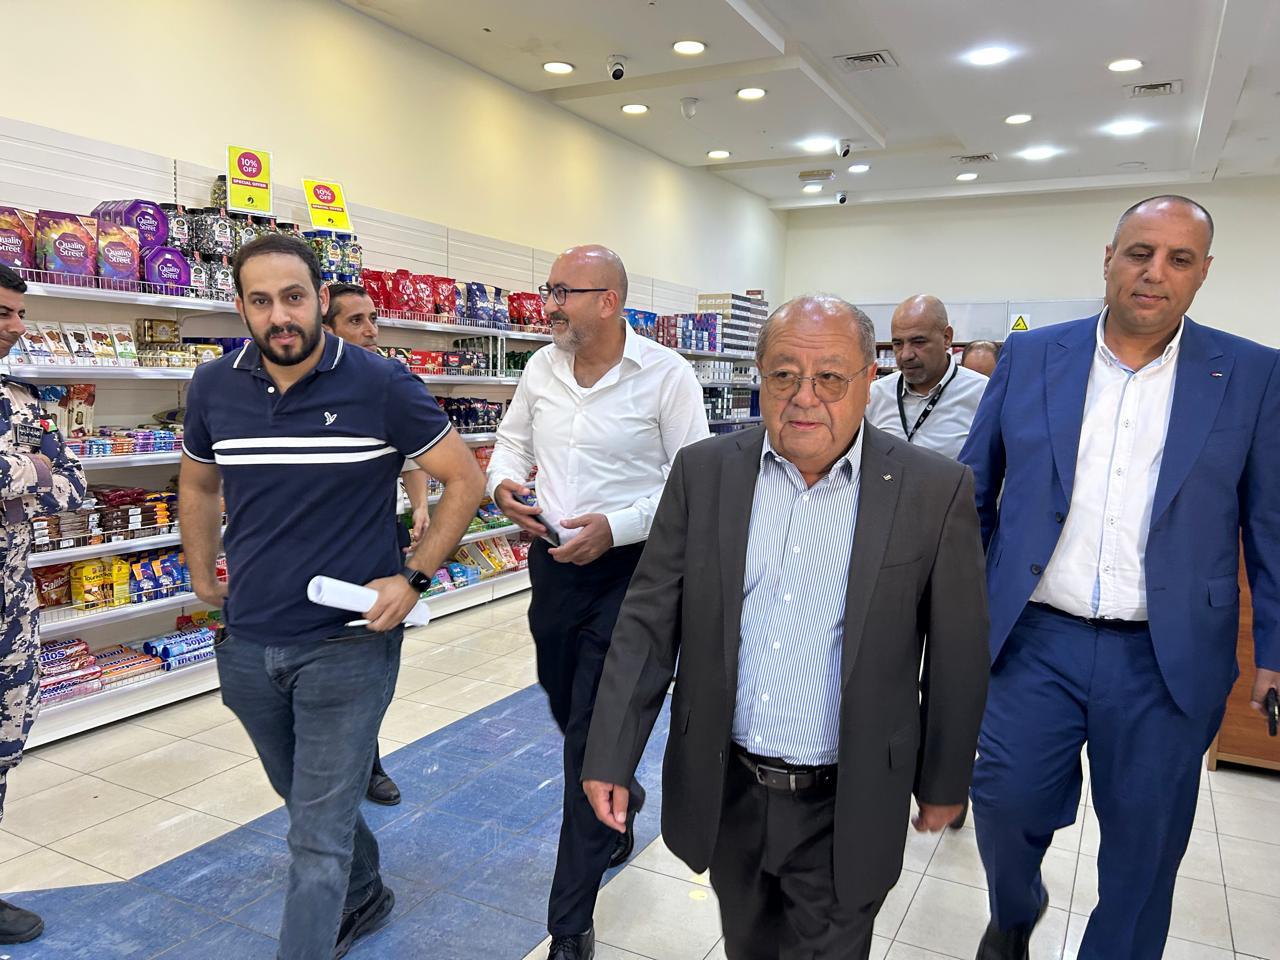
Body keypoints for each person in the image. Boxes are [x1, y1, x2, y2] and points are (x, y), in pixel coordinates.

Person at [583, 295, 991, 960]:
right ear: (761, 377)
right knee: (748, 945)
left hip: (849, 798)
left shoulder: (932, 490)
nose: (804, 397)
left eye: (830, 377)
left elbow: (957, 652)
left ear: (868, 380)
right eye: (784, 375)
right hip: (729, 789)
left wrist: (945, 779)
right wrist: (611, 753)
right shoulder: (704, 473)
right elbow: (648, 624)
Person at [959, 195, 1280, 960]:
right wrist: (961, 612)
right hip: (1034, 640)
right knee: (1003, 805)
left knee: (1145, 851)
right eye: (1139, 252)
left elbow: (1270, 523)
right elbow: (973, 492)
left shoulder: (1251, 373)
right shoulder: (1032, 357)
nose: (1154, 272)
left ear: (1203, 273)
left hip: (1166, 657)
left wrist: (1273, 650)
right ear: (1109, 259)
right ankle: (1014, 913)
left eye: (1178, 259)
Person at [179, 234, 486, 960]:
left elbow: (465, 478)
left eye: (293, 297)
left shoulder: (380, 383)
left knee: (314, 837)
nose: (279, 316)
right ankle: (366, 889)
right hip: (249, 642)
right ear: (240, 307)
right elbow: (198, 481)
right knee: (305, 797)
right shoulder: (213, 385)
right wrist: (200, 571)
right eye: (261, 301)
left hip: (348, 643)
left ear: (320, 298)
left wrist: (414, 577)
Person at [486, 244, 709, 960]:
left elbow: (694, 480)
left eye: (564, 292)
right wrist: (502, 486)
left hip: (633, 577)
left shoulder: (667, 376)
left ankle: (570, 921)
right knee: (565, 704)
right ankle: (623, 795)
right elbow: (510, 443)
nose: (548, 304)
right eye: (549, 289)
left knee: (589, 739)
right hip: (553, 568)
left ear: (609, 302)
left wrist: (619, 526)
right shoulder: (540, 368)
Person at [0, 264, 88, 945]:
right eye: (3, 312)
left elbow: (75, 486)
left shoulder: (23, 402)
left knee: (3, 749)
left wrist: (25, 476)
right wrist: (31, 470)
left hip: (11, 614)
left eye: (18, 313)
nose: (16, 326)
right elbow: (44, 475)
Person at [322, 281, 434, 806]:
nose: (371, 331)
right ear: (326, 329)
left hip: (375, 539)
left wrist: (421, 506)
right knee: (321, 661)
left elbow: (415, 453)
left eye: (373, 319)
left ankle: (367, 762)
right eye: (356, 321)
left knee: (375, 653)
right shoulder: (305, 387)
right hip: (316, 548)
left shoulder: (389, 382)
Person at [866, 295, 989, 459]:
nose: (906, 355)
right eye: (898, 344)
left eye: (918, 342)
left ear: (947, 338)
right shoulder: (874, 395)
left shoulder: (982, 394)